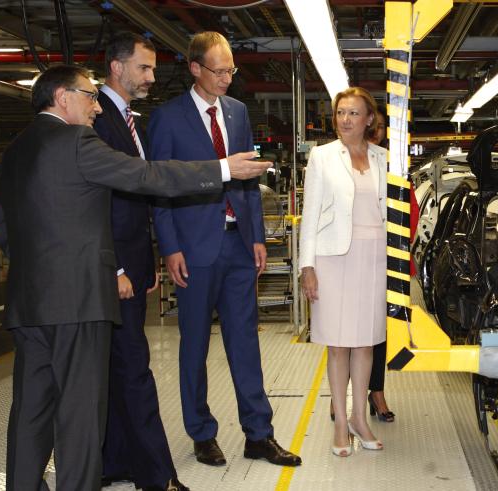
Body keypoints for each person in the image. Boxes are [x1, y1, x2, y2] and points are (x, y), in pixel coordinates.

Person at [0, 64, 269, 491]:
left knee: (29, 412)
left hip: (29, 306)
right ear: (62, 97)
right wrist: (222, 169)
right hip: (80, 304)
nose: (96, 109)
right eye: (88, 96)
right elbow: (146, 175)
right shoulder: (77, 141)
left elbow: (3, 229)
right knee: (80, 417)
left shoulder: (14, 150)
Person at [148, 31, 301, 468]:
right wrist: (170, 247)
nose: (228, 79)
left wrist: (256, 236)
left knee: (244, 342)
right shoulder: (167, 119)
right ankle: (201, 432)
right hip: (193, 249)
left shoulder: (236, 114)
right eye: (220, 71)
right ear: (195, 68)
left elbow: (248, 178)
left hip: (237, 245)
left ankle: (259, 433)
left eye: (232, 70)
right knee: (194, 344)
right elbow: (160, 190)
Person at [92, 33, 186, 491]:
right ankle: (156, 477)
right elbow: (96, 203)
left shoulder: (128, 121)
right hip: (113, 269)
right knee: (134, 370)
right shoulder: (96, 119)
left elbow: (137, 202)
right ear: (117, 67)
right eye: (144, 68)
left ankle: (114, 462)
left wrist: (142, 262)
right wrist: (116, 268)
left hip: (130, 265)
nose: (151, 77)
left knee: (115, 367)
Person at [300, 86, 387, 457]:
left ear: (369, 119)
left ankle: (358, 417)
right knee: (338, 344)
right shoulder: (321, 157)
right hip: (333, 257)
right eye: (340, 113)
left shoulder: (385, 157)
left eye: (353, 113)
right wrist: (307, 266)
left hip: (374, 257)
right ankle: (339, 421)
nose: (346, 120)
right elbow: (311, 214)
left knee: (366, 342)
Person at [365, 111, 394, 423]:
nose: (377, 131)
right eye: (373, 126)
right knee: (345, 332)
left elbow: (404, 209)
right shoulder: (343, 159)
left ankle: (376, 392)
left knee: (378, 331)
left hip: (383, 258)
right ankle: (340, 394)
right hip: (350, 256)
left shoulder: (390, 163)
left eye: (381, 127)